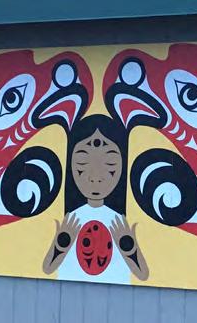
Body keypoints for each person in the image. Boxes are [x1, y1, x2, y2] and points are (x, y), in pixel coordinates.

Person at [42, 114, 149, 283]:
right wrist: (62, 242)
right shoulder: (72, 219)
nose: (96, 176)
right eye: (82, 162)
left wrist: (128, 247)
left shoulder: (118, 221)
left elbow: (143, 274)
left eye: (110, 163)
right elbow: (47, 268)